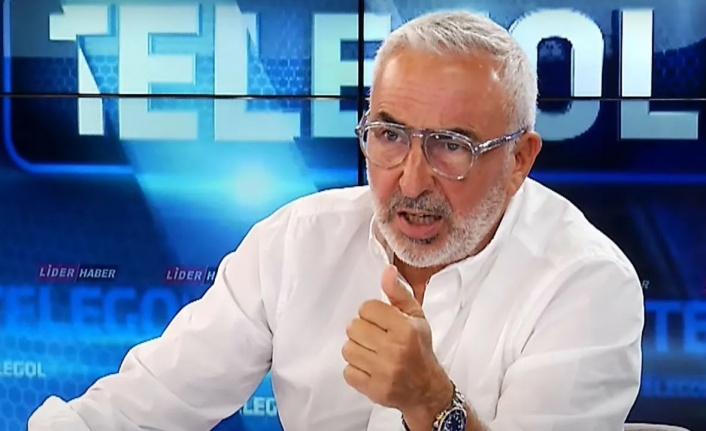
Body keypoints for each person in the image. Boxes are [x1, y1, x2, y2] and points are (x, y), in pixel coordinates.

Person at [27, 10, 644, 431]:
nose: (411, 181)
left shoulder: (587, 285)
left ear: (519, 160)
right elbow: (145, 405)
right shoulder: (297, 242)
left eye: (451, 145)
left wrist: (433, 403)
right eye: (390, 136)